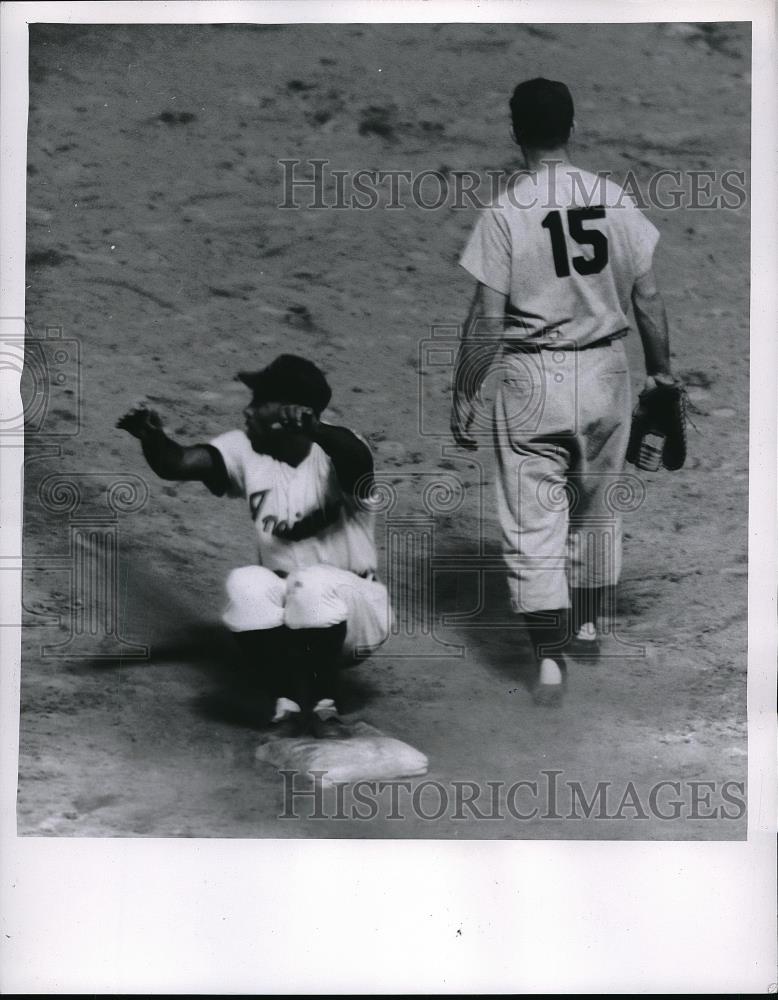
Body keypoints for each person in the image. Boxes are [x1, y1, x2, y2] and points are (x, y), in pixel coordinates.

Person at [451, 77, 681, 705]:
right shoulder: (612, 198)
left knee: (533, 519)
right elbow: (649, 298)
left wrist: (465, 390)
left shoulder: (505, 211)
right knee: (595, 506)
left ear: (515, 132)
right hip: (607, 370)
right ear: (572, 128)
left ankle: (550, 661)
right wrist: (662, 374)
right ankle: (585, 624)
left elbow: (488, 321)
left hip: (533, 378)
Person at [118, 354, 390, 737]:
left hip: (356, 617)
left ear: (292, 412)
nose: (247, 411)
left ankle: (325, 707)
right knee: (246, 584)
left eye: (259, 401)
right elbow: (177, 463)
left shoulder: (336, 454)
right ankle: (288, 705)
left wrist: (315, 430)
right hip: (295, 617)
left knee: (311, 583)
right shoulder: (245, 450)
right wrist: (151, 437)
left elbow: (356, 457)